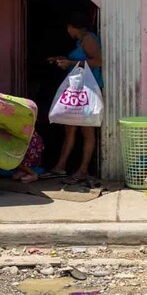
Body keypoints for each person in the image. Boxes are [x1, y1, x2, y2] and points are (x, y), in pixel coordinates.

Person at [45, 12, 103, 183]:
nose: (67, 31)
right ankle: (60, 167)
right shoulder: (80, 41)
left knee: (87, 129)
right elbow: (80, 59)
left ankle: (83, 170)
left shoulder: (88, 39)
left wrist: (70, 63)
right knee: (70, 128)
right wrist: (62, 59)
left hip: (89, 90)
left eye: (68, 28)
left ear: (72, 26)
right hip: (79, 91)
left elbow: (98, 61)